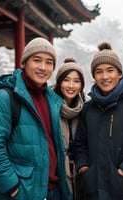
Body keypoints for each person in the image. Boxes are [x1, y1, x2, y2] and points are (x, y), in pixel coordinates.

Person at [0, 37, 72, 200]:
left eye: (49, 62)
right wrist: (12, 186)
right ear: (24, 63)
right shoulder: (4, 99)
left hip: (53, 190)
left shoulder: (52, 99)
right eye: (37, 60)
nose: (43, 67)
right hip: (23, 192)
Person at [73, 42, 123, 200]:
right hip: (94, 190)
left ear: (120, 73)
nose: (105, 77)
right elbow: (80, 144)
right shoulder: (88, 109)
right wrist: (84, 169)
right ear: (94, 76)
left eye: (110, 70)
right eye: (99, 72)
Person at [53, 57, 86, 200]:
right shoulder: (50, 106)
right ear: (59, 82)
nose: (71, 85)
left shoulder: (86, 108)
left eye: (76, 81)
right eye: (66, 80)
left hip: (81, 174)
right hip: (56, 174)